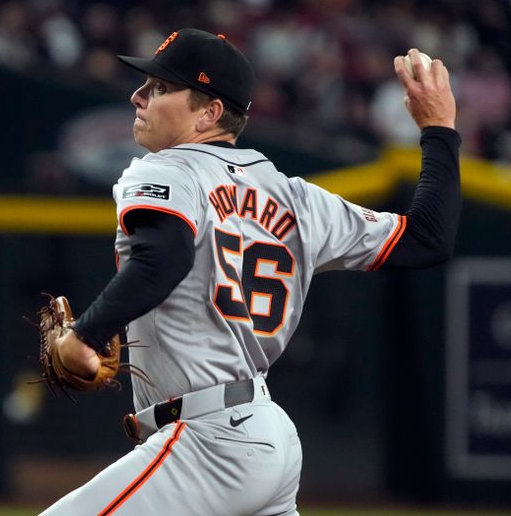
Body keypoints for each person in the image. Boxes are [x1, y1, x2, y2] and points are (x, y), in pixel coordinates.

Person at [41, 29, 460, 515]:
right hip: (266, 434)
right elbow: (428, 238)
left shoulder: (165, 169)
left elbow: (165, 258)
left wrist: (88, 334)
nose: (138, 95)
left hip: (209, 442)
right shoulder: (298, 198)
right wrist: (440, 128)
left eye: (159, 87)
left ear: (209, 112)